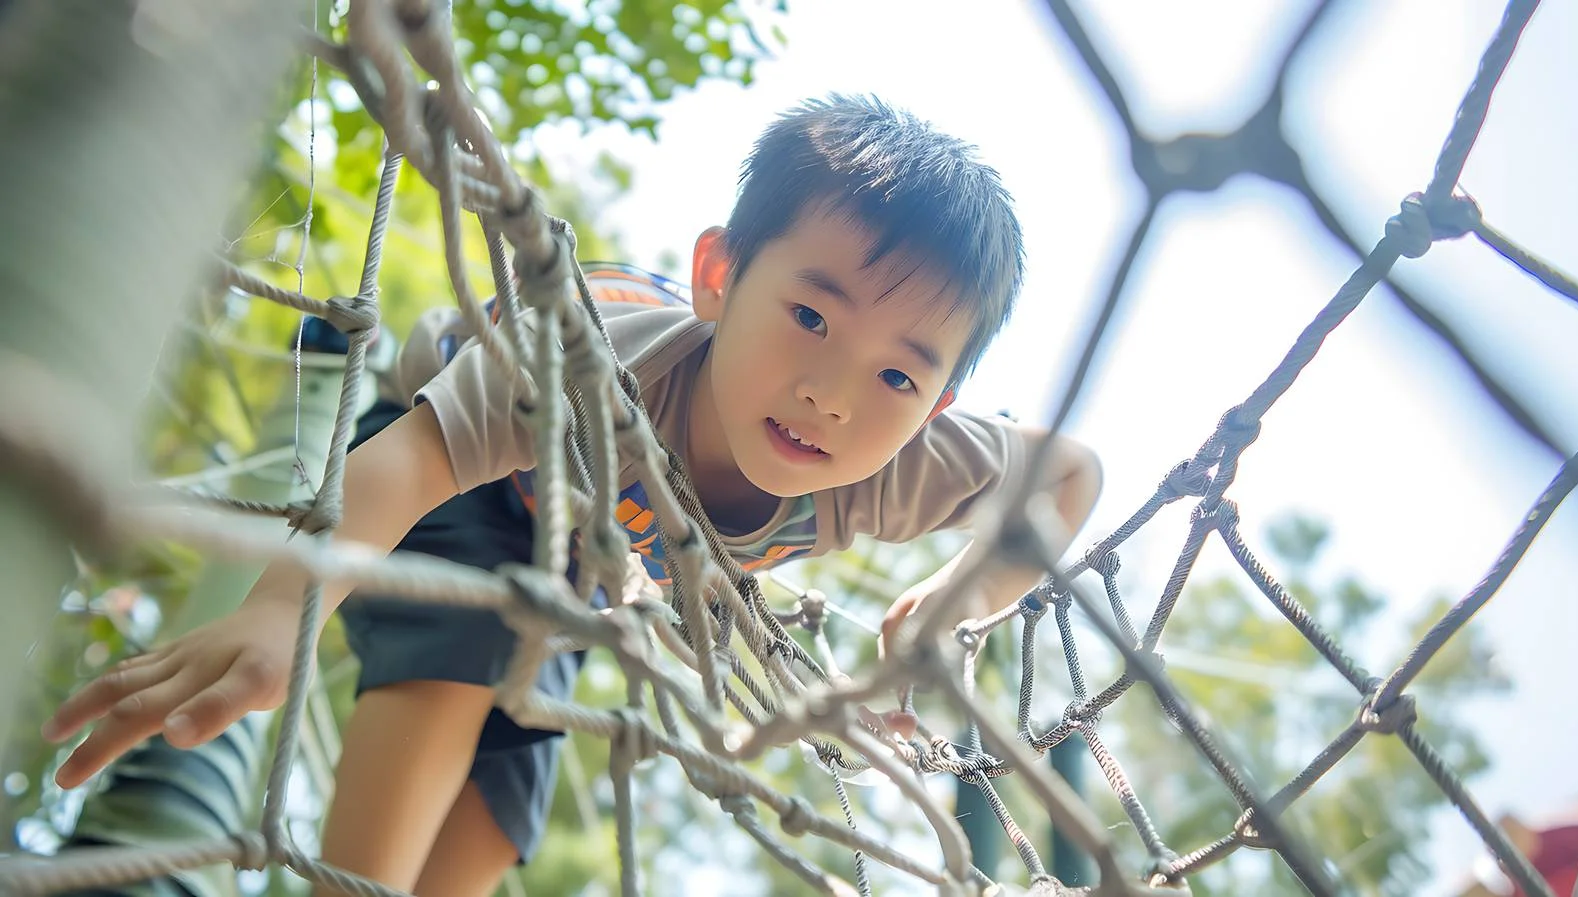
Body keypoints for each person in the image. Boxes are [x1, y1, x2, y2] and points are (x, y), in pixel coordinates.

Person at [43, 94, 1102, 896]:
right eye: (812, 319)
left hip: (582, 572)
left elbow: (1071, 476)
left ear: (937, 401)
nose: (831, 397)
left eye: (897, 378)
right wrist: (282, 607)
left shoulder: (908, 464)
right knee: (454, 687)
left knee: (489, 833)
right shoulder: (602, 356)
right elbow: (418, 461)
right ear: (719, 279)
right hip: (459, 454)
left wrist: (952, 603)